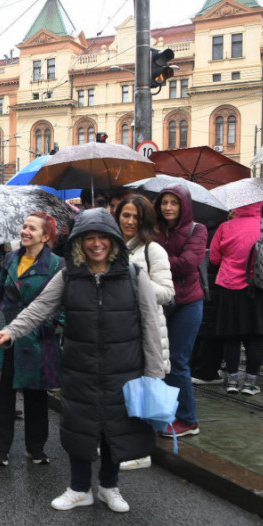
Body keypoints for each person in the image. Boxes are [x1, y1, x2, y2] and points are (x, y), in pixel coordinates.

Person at [0, 208, 166, 513]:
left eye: (103, 237)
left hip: (123, 368)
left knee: (116, 428)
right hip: (80, 365)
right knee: (79, 428)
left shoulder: (134, 275)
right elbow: (40, 307)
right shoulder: (69, 274)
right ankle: (79, 488)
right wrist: (10, 332)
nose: (96, 243)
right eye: (89, 238)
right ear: (79, 243)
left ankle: (110, 487)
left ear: (113, 240)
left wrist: (154, 373)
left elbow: (150, 326)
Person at [0, 212, 64, 467]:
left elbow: (62, 305)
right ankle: (1, 449)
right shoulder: (10, 259)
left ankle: (36, 449)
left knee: (36, 397)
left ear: (46, 236)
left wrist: (46, 326)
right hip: (5, 335)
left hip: (37, 338)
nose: (25, 231)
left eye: (32, 228)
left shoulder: (57, 265)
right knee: (2, 393)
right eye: (24, 226)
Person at [209, 201, 263, 395]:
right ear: (259, 205)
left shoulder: (226, 227)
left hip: (230, 288)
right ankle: (250, 383)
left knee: (231, 337)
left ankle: (231, 380)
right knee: (256, 336)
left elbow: (214, 258)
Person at [116, 195, 174, 469]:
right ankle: (123, 446)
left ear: (145, 221)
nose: (129, 221)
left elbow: (168, 292)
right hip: (120, 328)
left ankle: (140, 452)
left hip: (146, 328)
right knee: (124, 389)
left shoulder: (153, 250)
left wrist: (137, 284)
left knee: (143, 388)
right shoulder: (113, 246)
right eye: (125, 215)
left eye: (135, 217)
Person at [151, 185, 206, 435]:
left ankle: (188, 419)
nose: (169, 207)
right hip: (160, 301)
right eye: (165, 203)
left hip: (187, 302)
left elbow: (187, 264)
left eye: (174, 202)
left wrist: (157, 260)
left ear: (184, 206)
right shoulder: (153, 229)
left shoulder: (197, 229)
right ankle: (166, 413)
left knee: (178, 360)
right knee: (158, 360)